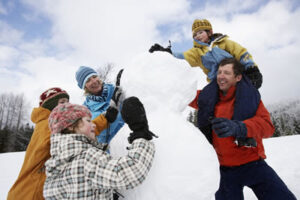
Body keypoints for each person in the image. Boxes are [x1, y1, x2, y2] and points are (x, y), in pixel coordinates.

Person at [188, 58, 296, 199]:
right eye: (219, 72)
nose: (221, 76)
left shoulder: (250, 98)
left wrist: (240, 127)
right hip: (224, 171)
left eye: (227, 73)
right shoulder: (206, 97)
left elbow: (268, 127)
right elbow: (182, 94)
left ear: (238, 77)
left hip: (253, 164)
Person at [7, 87, 115, 200]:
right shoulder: (48, 125)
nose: (66, 105)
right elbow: (78, 130)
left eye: (67, 102)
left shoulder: (43, 124)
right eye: (62, 102)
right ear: (50, 106)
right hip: (31, 193)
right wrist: (104, 118)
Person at [43, 97, 155, 199]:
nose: (94, 125)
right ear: (71, 126)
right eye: (88, 121)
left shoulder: (54, 168)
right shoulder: (85, 158)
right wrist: (140, 133)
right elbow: (129, 173)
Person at [149, 19, 262, 89]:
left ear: (209, 32)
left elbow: (241, 53)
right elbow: (182, 56)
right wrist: (167, 52)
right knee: (207, 97)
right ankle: (207, 124)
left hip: (235, 75)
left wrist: (251, 68)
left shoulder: (223, 42)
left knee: (247, 92)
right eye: (195, 35)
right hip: (216, 82)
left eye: (200, 32)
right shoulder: (197, 52)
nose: (198, 36)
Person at [76, 66, 124, 144]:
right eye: (88, 80)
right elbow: (98, 132)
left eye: (94, 77)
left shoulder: (116, 90)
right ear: (84, 87)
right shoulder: (84, 110)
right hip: (107, 150)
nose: (94, 81)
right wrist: (111, 111)